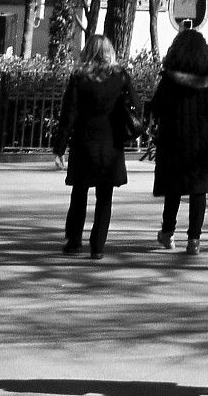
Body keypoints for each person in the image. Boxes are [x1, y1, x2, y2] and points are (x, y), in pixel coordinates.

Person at [145, 0, 208, 256]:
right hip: (207, 142)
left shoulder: (171, 79)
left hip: (176, 140)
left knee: (174, 188)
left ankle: (167, 232)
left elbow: (157, 107)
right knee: (199, 191)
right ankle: (194, 239)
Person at [52, 33, 136, 258]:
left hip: (84, 140)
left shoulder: (79, 77)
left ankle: (74, 242)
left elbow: (68, 114)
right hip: (111, 141)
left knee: (79, 193)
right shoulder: (120, 76)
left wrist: (59, 147)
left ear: (88, 51)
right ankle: (97, 246)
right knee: (105, 197)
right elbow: (134, 105)